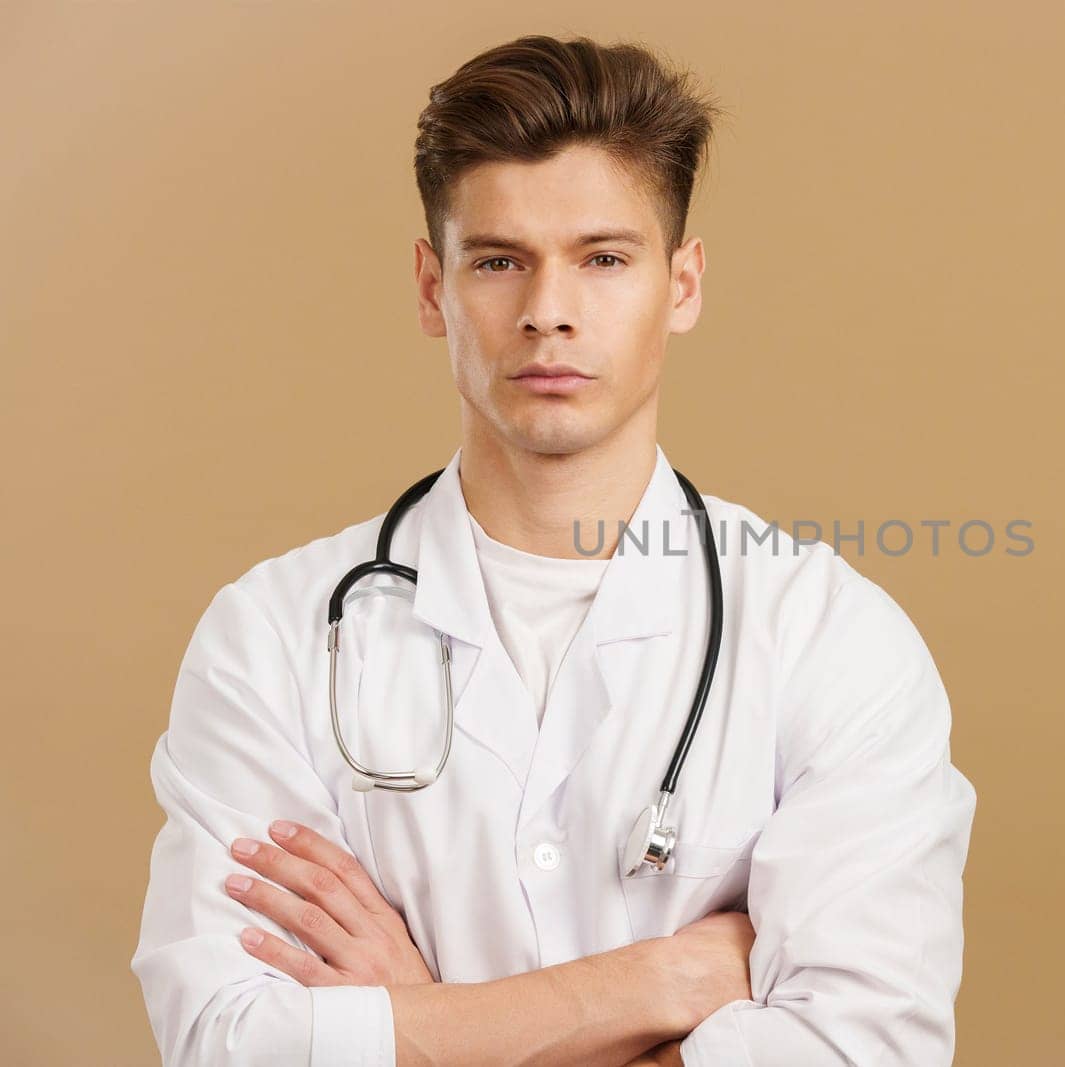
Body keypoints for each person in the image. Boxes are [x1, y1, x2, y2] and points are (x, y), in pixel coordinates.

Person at [130, 33, 977, 1067]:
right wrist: (655, 982)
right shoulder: (273, 638)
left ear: (683, 284)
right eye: (498, 261)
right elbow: (223, 1042)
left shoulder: (831, 640)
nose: (547, 313)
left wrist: (420, 1023)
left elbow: (863, 1053)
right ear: (433, 286)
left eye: (605, 259)